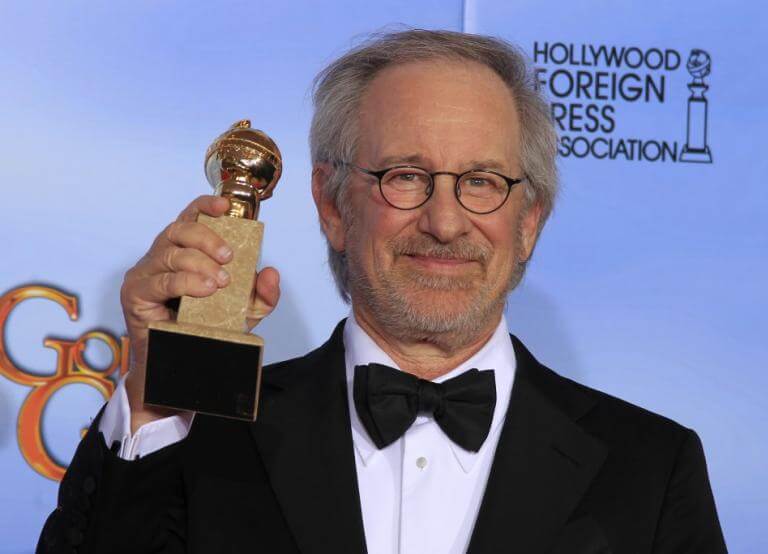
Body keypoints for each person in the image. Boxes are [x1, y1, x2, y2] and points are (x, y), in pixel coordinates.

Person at [37, 30, 727, 554]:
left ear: (528, 223)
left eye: (482, 182)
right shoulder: (199, 440)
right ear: (331, 204)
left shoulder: (649, 469)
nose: (445, 221)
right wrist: (157, 394)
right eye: (404, 176)